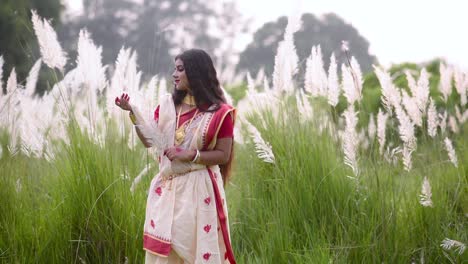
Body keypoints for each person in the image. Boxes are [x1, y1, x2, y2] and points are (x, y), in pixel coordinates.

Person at [115, 49, 236, 264]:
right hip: (166, 189)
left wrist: (191, 154)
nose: (174, 74)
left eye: (180, 69)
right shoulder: (168, 107)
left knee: (194, 253)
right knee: (165, 253)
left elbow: (223, 155)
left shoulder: (220, 113)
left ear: (196, 73)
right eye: (175, 68)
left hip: (199, 192)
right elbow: (149, 142)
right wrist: (133, 114)